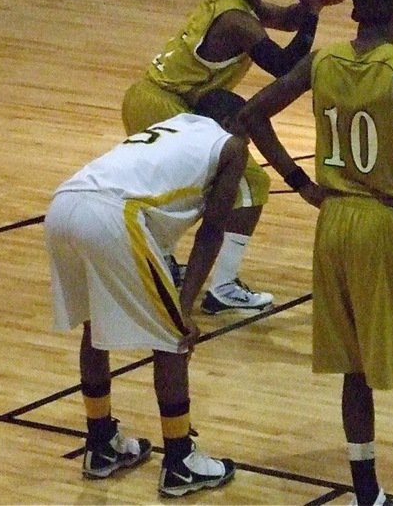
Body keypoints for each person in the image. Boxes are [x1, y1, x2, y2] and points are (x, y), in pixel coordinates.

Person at [237, 0, 393, 506]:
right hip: (385, 222)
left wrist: (299, 183)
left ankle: (366, 494)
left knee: (355, 366)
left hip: (332, 222)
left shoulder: (322, 61)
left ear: (354, 12)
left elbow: (251, 114)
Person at [45, 89, 258, 497]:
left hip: (63, 204)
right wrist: (185, 306)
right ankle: (180, 460)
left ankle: (102, 443)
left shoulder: (173, 127)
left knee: (95, 326)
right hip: (112, 215)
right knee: (173, 338)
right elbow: (212, 230)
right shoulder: (229, 145)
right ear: (235, 123)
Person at [122, 0, 328, 314]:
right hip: (162, 105)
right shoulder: (236, 22)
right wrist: (313, 13)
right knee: (249, 183)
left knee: (184, 188)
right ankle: (223, 287)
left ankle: (162, 258)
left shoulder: (238, 5)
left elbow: (285, 18)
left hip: (152, 98)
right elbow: (284, 67)